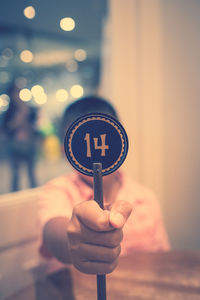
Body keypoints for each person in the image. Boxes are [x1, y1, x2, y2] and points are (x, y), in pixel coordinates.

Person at [39, 95, 170, 275]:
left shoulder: (146, 199)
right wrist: (76, 238)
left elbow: (163, 261)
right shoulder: (60, 191)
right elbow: (54, 232)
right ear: (67, 152)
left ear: (119, 144)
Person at [2, 83, 39, 191]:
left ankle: (34, 192)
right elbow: (6, 128)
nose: (17, 95)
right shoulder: (9, 111)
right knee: (15, 172)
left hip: (29, 142)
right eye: (15, 92)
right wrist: (16, 122)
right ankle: (15, 192)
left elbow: (34, 122)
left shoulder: (27, 107)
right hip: (15, 144)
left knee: (31, 171)